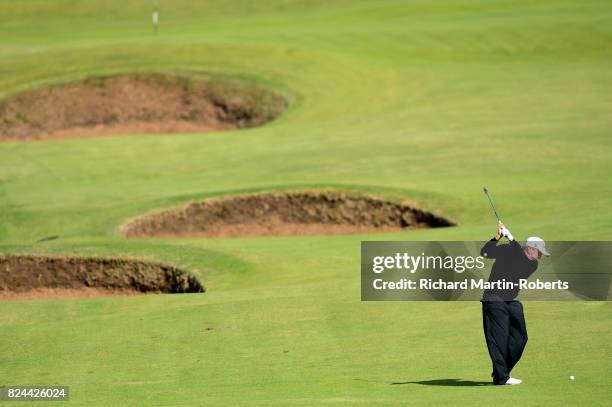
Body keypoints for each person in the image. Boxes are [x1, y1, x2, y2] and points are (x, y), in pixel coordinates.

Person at [480, 223, 550, 385]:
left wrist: (511, 238)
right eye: (539, 252)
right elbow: (485, 252)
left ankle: (501, 372)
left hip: (511, 301)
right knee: (499, 338)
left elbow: (519, 259)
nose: (540, 256)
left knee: (520, 338)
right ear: (530, 248)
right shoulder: (509, 250)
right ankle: (501, 377)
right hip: (494, 298)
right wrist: (497, 237)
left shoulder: (531, 264)